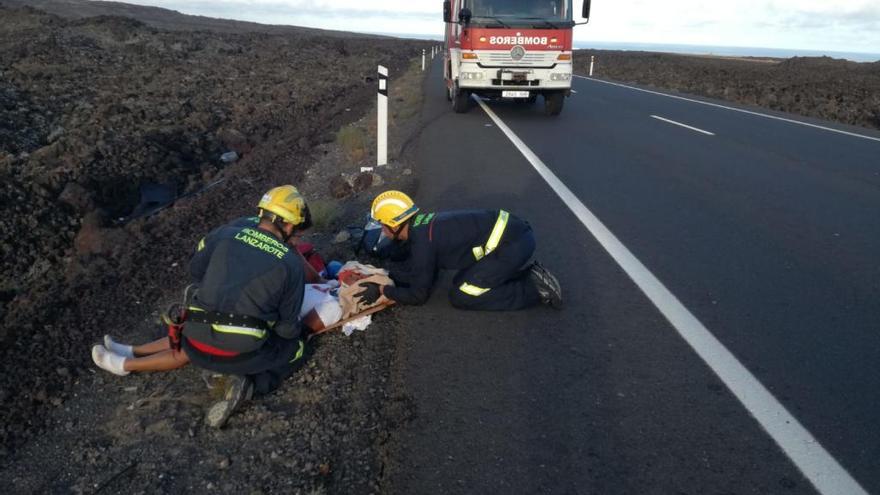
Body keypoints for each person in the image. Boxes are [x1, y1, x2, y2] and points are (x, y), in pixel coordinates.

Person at [91, 185, 319, 428]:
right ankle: (252, 384)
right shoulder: (290, 263)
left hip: (194, 341)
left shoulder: (226, 234)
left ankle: (127, 358)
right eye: (297, 233)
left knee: (201, 324)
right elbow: (287, 328)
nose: (297, 239)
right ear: (288, 225)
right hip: (238, 352)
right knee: (296, 347)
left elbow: (196, 272)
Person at [356, 190, 562, 311]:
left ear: (394, 225)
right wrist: (387, 274)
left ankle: (535, 289)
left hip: (513, 244)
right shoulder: (421, 226)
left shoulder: (423, 244)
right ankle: (530, 275)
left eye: (382, 225)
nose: (382, 230)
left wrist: (383, 290)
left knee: (463, 295)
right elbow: (421, 270)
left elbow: (418, 295)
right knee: (462, 281)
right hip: (513, 233)